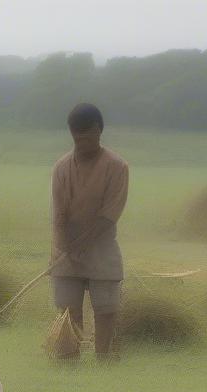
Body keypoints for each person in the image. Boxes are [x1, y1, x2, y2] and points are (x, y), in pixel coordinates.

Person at [50, 103, 129, 362]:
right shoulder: (61, 167)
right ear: (71, 133)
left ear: (99, 131)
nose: (82, 141)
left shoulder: (117, 166)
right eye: (77, 135)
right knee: (68, 308)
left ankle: (103, 357)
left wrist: (84, 244)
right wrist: (66, 246)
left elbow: (110, 213)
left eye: (88, 134)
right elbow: (59, 214)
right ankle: (69, 357)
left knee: (106, 309)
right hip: (66, 250)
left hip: (102, 247)